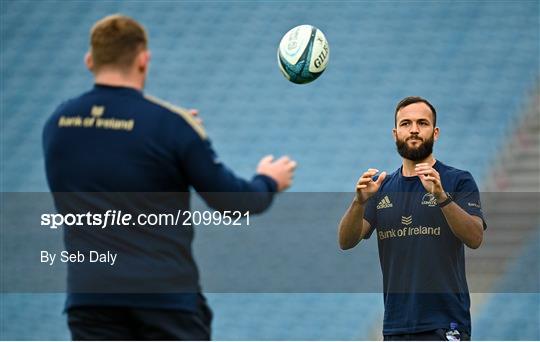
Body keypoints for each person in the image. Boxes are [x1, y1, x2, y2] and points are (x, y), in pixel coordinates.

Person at [42, 14, 296, 340]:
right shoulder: (171, 126)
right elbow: (235, 201)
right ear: (143, 60)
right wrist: (269, 180)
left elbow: (103, 164)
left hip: (90, 299)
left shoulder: (58, 124)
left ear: (90, 60)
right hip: (164, 300)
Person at [338, 96, 486, 341]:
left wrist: (441, 196)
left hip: (445, 324)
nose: (414, 129)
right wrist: (359, 202)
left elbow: (475, 237)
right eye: (406, 124)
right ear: (395, 133)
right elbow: (346, 241)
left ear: (435, 132)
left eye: (422, 123)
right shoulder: (382, 188)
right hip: (397, 327)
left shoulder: (458, 180)